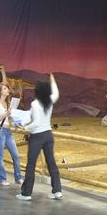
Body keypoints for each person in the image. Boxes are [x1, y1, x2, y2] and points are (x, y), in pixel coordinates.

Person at [16, 73, 62, 201]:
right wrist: (52, 79)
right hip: (48, 135)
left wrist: (25, 128)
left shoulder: (35, 104)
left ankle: (26, 193)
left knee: (31, 164)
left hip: (37, 137)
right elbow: (56, 93)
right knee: (51, 163)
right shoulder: (50, 100)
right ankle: (57, 190)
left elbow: (35, 123)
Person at [0, 82, 23, 186]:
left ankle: (18, 177)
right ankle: (2, 178)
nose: (7, 90)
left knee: (16, 155)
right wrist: (5, 114)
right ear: (0, 91)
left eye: (7, 88)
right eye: (5, 89)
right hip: (0, 131)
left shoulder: (7, 103)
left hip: (8, 132)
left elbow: (9, 119)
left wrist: (16, 122)